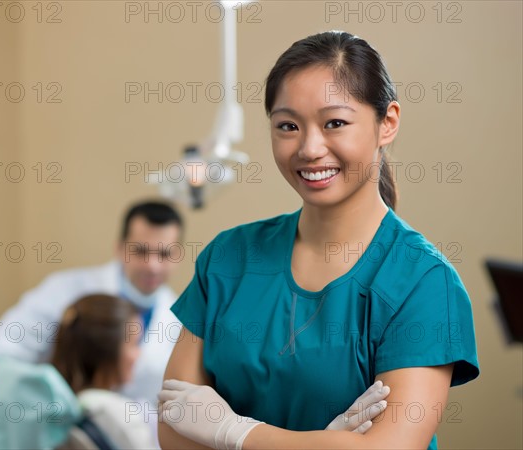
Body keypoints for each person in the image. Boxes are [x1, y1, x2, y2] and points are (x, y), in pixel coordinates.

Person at [158, 31, 480, 450]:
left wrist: (232, 432)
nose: (310, 148)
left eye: (335, 123)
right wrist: (320, 444)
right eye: (288, 126)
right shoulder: (228, 258)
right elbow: (173, 431)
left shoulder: (423, 282)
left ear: (388, 123)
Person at [0, 200, 183, 449]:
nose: (152, 266)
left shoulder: (182, 320)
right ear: (120, 248)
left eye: (164, 254)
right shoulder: (63, 292)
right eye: (141, 251)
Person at [51, 294, 158, 449]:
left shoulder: (61, 407)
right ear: (108, 350)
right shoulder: (114, 413)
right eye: (134, 344)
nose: (138, 354)